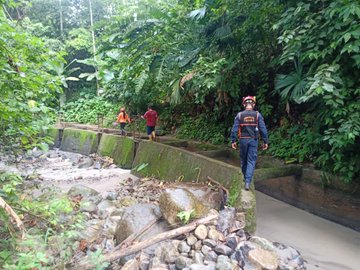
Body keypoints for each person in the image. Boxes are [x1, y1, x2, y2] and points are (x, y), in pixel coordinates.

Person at [231, 96, 269, 191]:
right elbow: (263, 129)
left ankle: (245, 178)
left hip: (243, 140)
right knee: (251, 161)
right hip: (253, 140)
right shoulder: (257, 115)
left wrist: (233, 140)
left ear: (244, 104)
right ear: (253, 104)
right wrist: (265, 141)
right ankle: (248, 182)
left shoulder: (239, 115)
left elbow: (234, 129)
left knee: (243, 160)